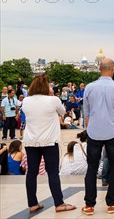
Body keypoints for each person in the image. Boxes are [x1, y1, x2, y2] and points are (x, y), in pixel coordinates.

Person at [21, 74, 76, 213]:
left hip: (31, 141)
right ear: (47, 87)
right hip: (49, 141)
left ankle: (32, 203)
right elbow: (63, 112)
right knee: (52, 172)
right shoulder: (53, 100)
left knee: (31, 173)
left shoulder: (26, 101)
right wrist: (51, 95)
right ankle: (59, 203)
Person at [81, 58, 114, 215]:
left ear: (99, 68)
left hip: (94, 131)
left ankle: (89, 204)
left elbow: (86, 111)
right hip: (113, 131)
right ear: (112, 69)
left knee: (92, 167)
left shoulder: (89, 87)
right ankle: (111, 202)